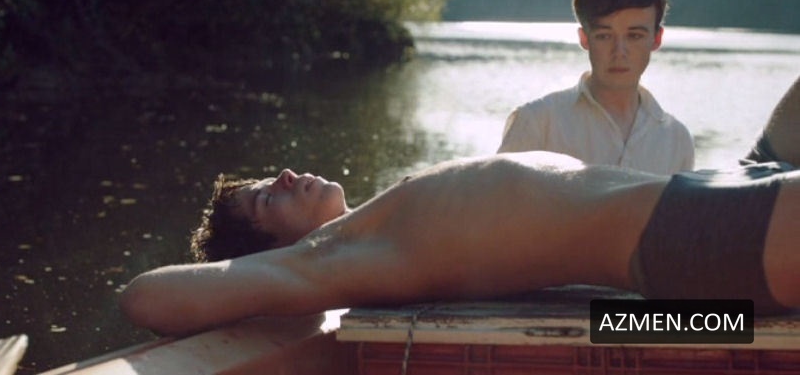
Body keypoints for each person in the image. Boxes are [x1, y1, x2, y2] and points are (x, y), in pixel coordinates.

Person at [119, 78, 799, 336]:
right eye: (266, 199)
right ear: (270, 254)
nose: (287, 174)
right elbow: (143, 297)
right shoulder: (330, 260)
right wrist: (266, 277)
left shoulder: (373, 223)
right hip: (691, 238)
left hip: (712, 192)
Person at [497, 0, 694, 175]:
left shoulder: (677, 140)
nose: (619, 51)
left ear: (656, 39)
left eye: (635, 36)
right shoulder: (537, 123)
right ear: (584, 38)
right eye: (604, 36)